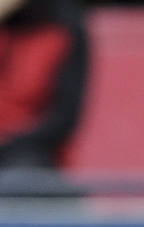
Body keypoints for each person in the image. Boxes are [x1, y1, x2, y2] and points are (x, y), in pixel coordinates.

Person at [0, 0, 87, 184]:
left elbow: (63, 120)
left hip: (26, 154)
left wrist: (9, 144)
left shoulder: (62, 31)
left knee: (18, 180)